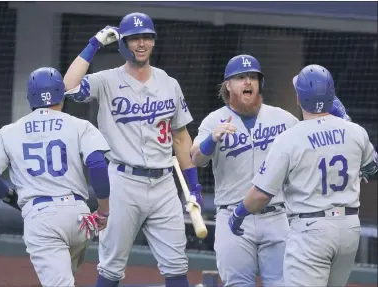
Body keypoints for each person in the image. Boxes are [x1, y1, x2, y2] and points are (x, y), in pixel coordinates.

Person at [63, 12, 202, 287]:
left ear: (153, 41)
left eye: (146, 37)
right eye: (134, 38)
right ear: (122, 43)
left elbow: (181, 137)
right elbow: (68, 87)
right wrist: (93, 44)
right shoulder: (106, 80)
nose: (141, 43)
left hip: (164, 183)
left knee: (176, 265)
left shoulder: (169, 83)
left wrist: (193, 183)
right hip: (123, 181)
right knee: (111, 267)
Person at [228, 64, 377, 286]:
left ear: (300, 99)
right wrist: (345, 119)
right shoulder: (355, 130)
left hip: (311, 230)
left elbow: (260, 195)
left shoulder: (290, 138)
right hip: (348, 228)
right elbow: (372, 168)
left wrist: (238, 214)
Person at [0, 67, 111, 287]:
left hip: (42, 219)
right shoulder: (79, 125)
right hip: (79, 218)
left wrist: (13, 200)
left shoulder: (10, 131)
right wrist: (104, 210)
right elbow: (97, 164)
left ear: (30, 97)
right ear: (61, 94)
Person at [190, 54, 299, 286]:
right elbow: (195, 157)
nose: (248, 82)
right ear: (228, 85)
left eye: (253, 77)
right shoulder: (214, 120)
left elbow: (308, 148)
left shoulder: (283, 118)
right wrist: (212, 139)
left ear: (260, 83)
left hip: (276, 216)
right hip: (231, 216)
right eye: (241, 77)